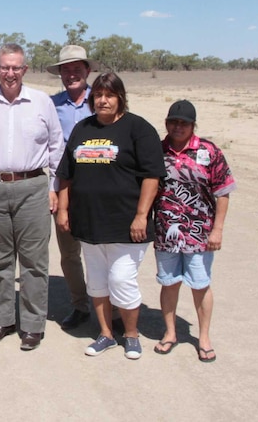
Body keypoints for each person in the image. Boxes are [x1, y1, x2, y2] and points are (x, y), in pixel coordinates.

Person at [55, 72, 165, 360]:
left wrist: (142, 216)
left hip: (126, 224)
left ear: (120, 98)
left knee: (122, 280)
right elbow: (66, 175)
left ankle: (131, 334)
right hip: (88, 222)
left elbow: (152, 176)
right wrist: (64, 209)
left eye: (110, 95)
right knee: (97, 283)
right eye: (99, 95)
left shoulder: (138, 129)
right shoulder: (82, 128)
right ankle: (105, 333)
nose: (103, 100)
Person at [0, 44, 64, 351]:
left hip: (33, 186)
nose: (10, 73)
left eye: (16, 68)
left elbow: (56, 147)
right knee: (0, 261)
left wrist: (53, 188)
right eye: (5, 68)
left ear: (25, 70)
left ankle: (33, 326)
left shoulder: (41, 101)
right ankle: (4, 320)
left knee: (34, 261)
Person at [153, 100, 236, 363]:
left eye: (184, 123)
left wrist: (217, 230)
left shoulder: (209, 151)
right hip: (166, 232)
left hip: (200, 235)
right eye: (173, 122)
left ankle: (203, 338)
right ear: (166, 123)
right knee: (169, 284)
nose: (178, 127)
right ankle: (170, 333)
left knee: (200, 285)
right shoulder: (156, 150)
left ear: (193, 126)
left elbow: (223, 193)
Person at [46, 45, 99, 330]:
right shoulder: (51, 105)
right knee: (69, 253)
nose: (71, 74)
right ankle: (80, 305)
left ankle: (111, 310)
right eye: (66, 69)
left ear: (87, 70)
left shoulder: (103, 100)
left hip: (100, 190)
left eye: (77, 68)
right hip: (64, 187)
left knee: (102, 251)